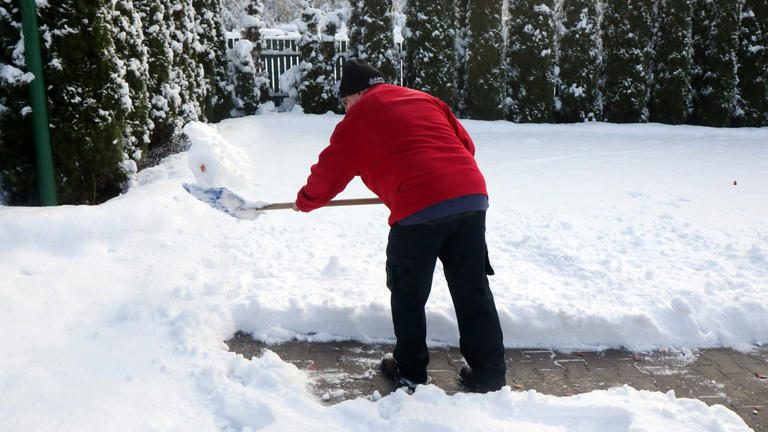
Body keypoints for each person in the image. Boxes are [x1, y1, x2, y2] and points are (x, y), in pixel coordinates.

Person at [292, 59, 506, 393]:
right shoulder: (424, 98)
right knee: (472, 288)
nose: (346, 110)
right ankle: (490, 375)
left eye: (346, 102)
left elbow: (330, 172)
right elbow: (465, 146)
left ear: (360, 92)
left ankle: (410, 371)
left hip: (419, 207)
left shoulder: (359, 118)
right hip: (470, 196)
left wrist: (306, 200)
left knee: (408, 292)